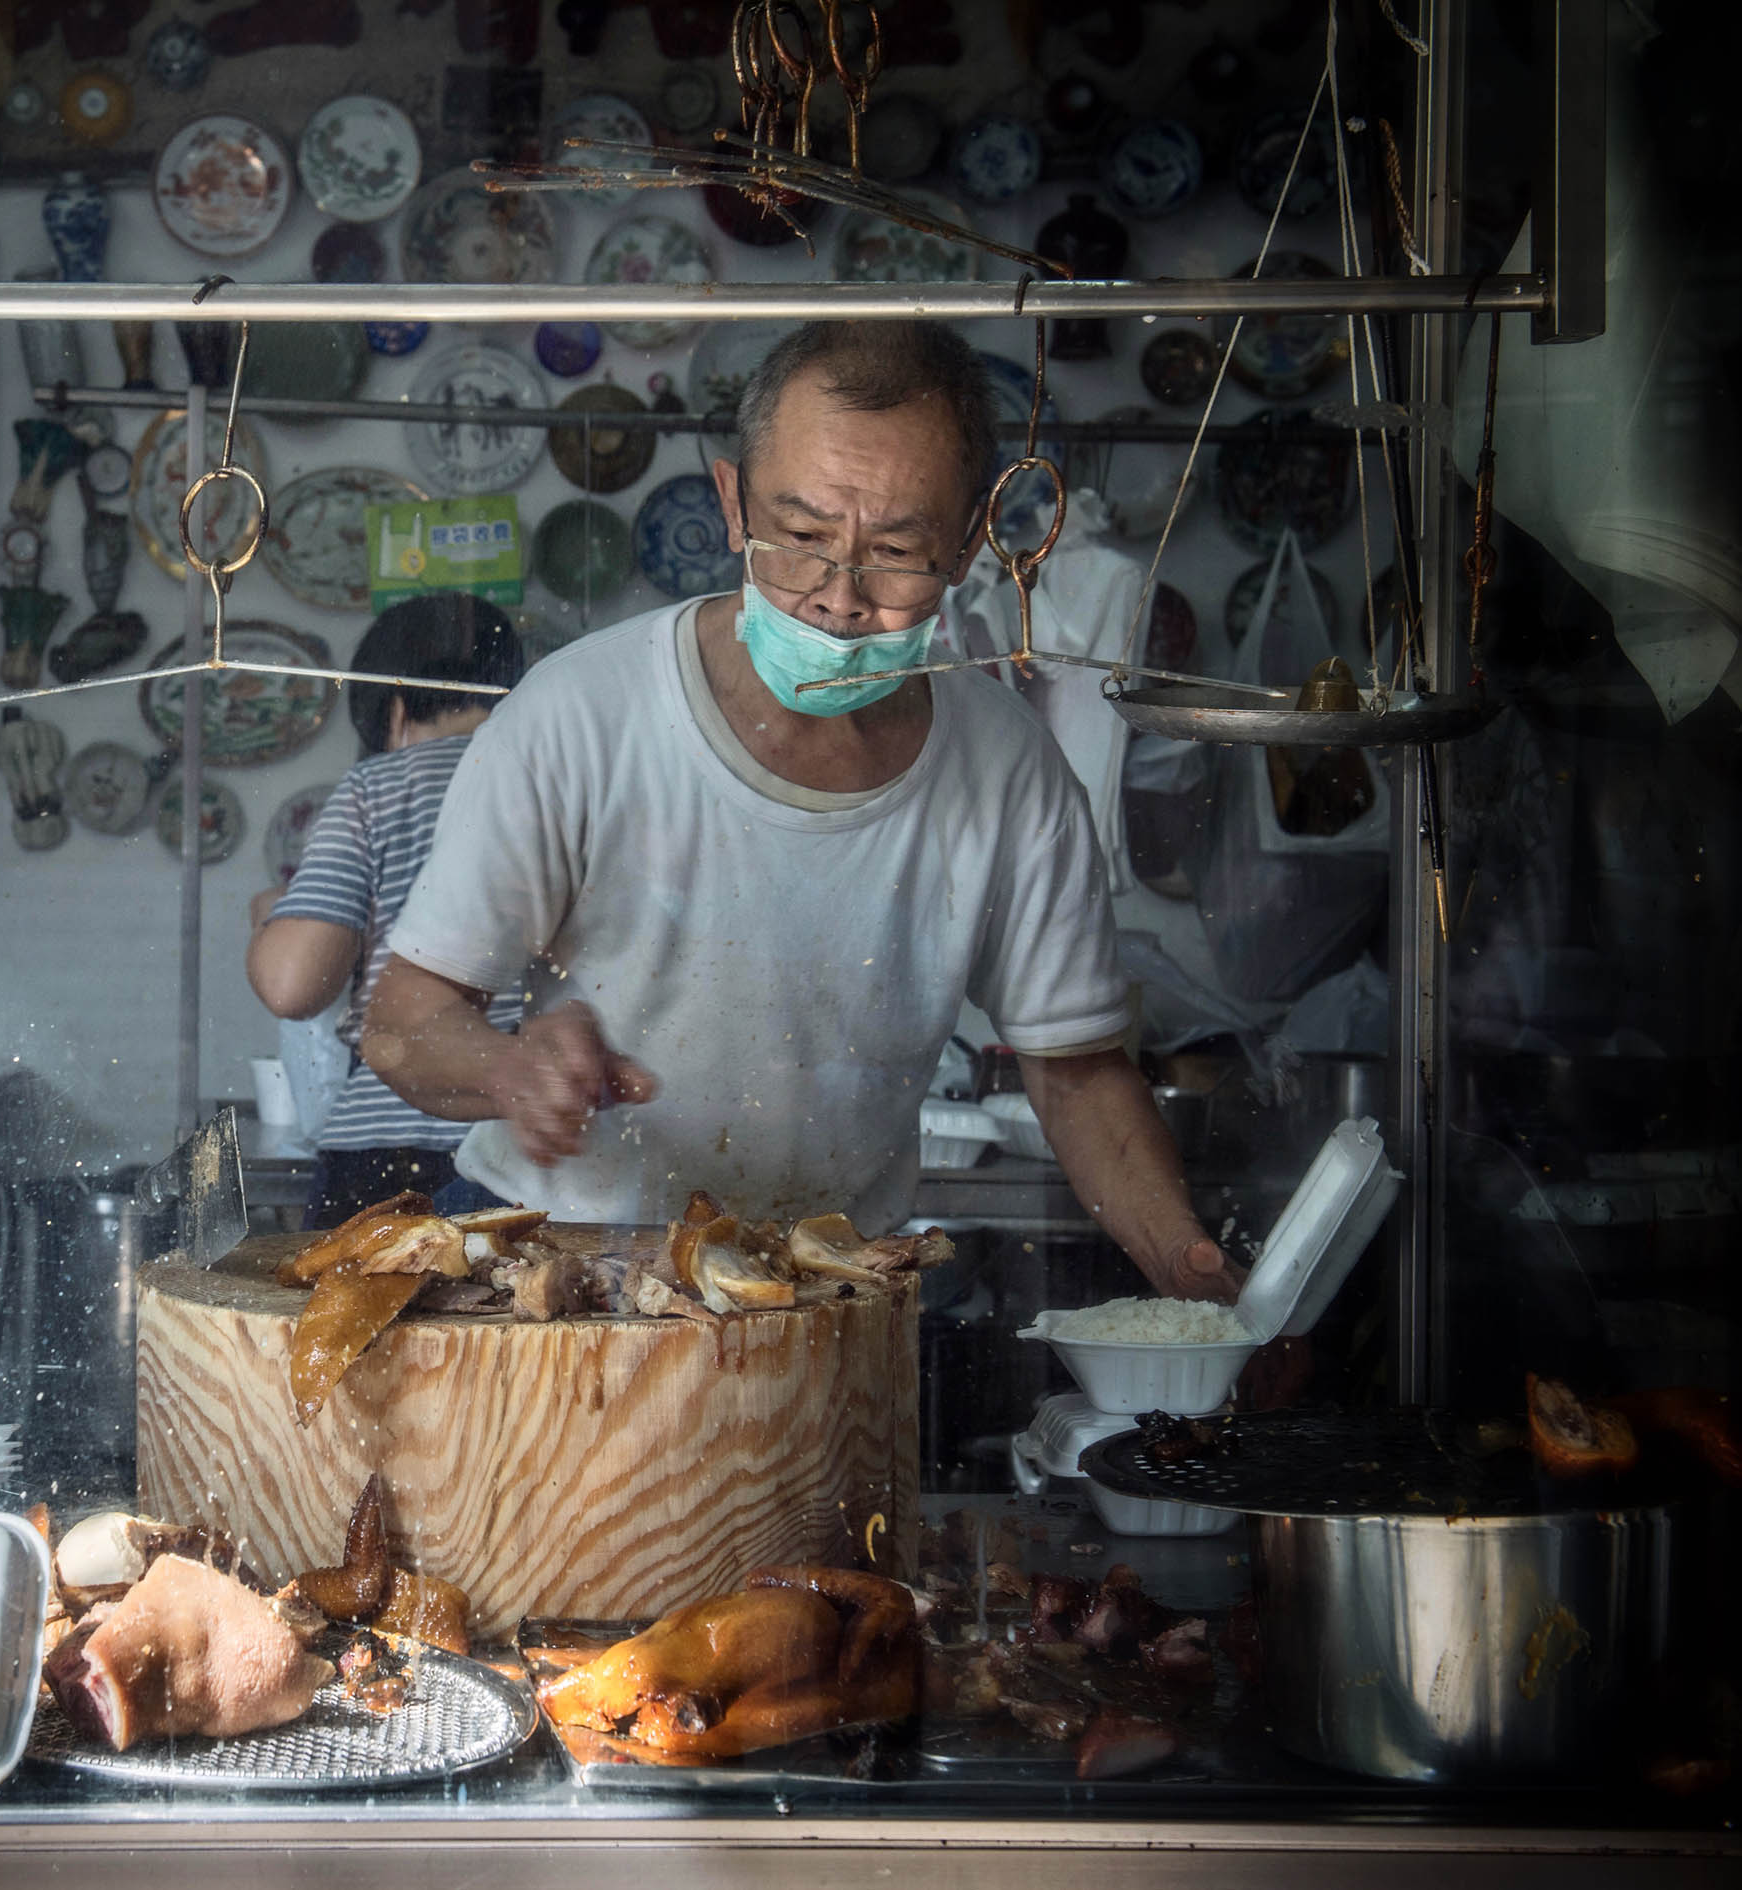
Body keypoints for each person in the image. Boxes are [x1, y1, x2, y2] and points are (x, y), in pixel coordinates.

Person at [362, 321, 1236, 1303]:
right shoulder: (579, 714)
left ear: (969, 538)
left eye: (897, 549)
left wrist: (1185, 1267)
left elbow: (1079, 1076)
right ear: (733, 504)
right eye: (805, 536)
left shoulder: (1008, 768)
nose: (839, 598)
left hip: (822, 1288)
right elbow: (402, 1026)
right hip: (563, 1271)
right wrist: (513, 1072)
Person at [245, 594, 526, 1227]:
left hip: (385, 1148)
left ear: (391, 713)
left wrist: (270, 915)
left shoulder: (379, 788)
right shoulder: (552, 779)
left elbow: (294, 986)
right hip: (524, 1141)